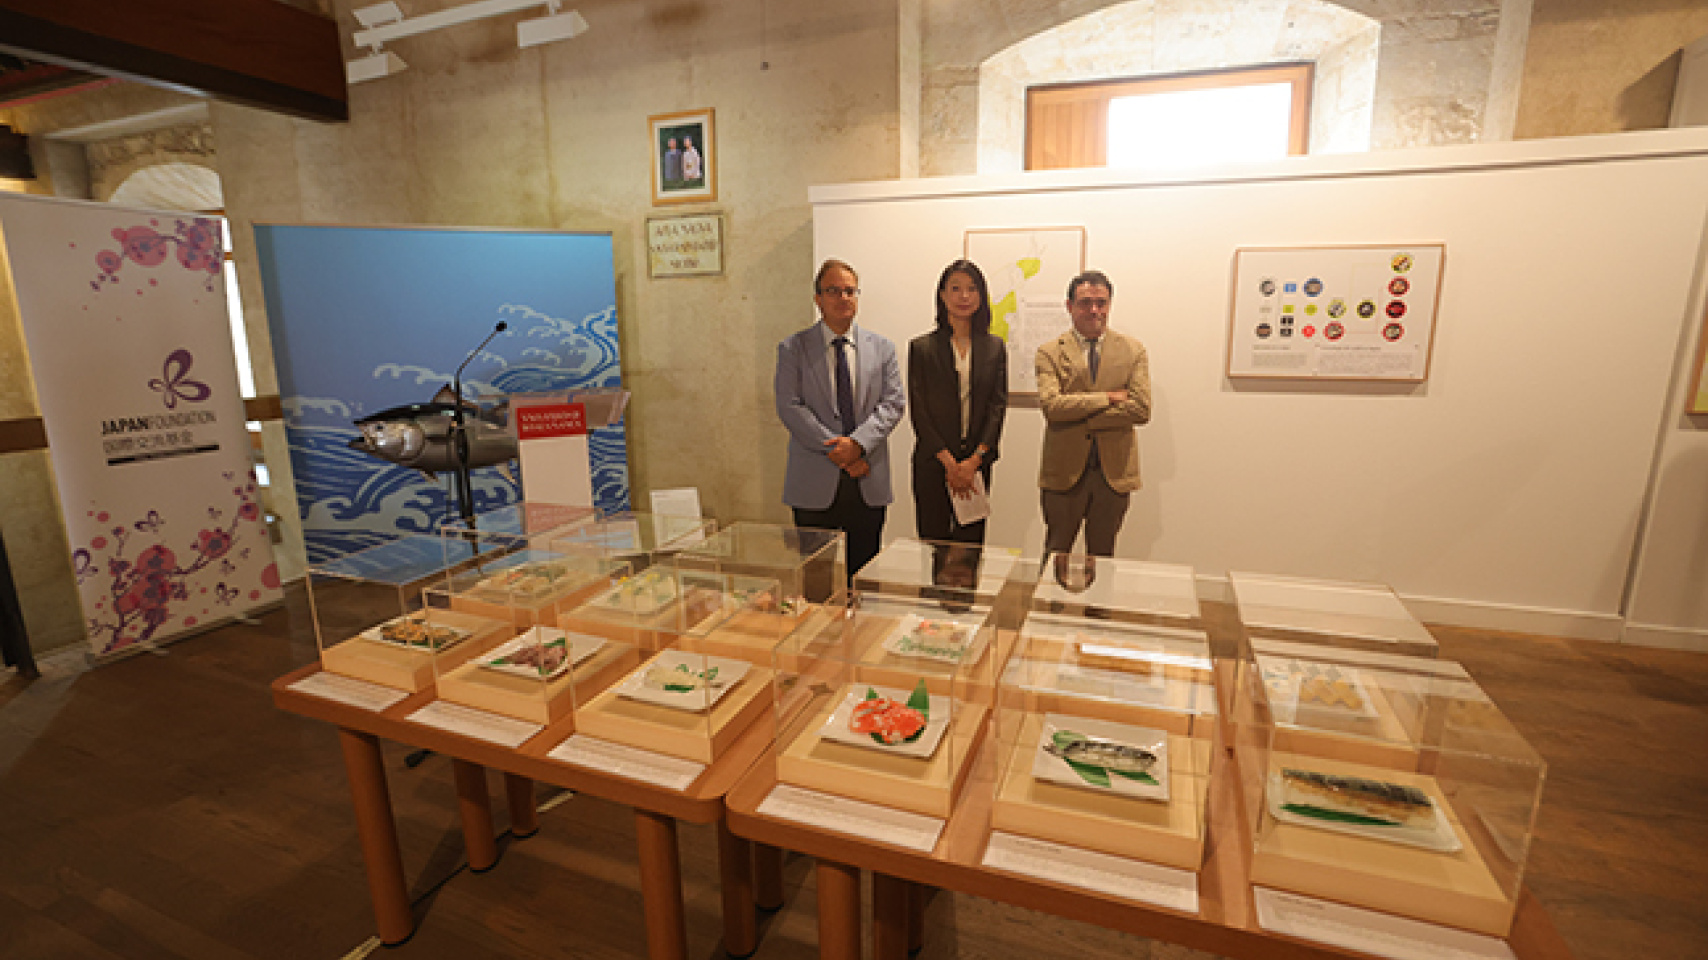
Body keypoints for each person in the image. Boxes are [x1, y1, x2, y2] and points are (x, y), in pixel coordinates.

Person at [775, 259, 905, 581]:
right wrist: (838, 450)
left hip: (867, 478)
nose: (843, 297)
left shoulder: (882, 348)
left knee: (865, 578)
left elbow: (892, 404)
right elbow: (789, 406)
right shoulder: (793, 348)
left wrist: (857, 445)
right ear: (818, 298)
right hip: (814, 479)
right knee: (815, 577)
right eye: (833, 291)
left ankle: (859, 616)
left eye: (850, 291)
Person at [1036, 269, 1151, 557]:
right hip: (1063, 473)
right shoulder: (1049, 352)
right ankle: (1052, 592)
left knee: (1103, 557)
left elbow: (1141, 409)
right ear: (1070, 306)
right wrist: (1108, 398)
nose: (1094, 310)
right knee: (1056, 554)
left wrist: (1080, 412)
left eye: (1101, 303)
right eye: (1085, 302)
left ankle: (1097, 593)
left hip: (1113, 474)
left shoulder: (1133, 350)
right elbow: (1052, 407)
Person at [907, 259, 1007, 548]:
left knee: (970, 550)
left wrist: (974, 461)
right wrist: (950, 463)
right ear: (942, 295)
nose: (964, 296)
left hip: (976, 464)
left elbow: (997, 407)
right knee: (933, 548)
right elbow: (919, 410)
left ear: (981, 295)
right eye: (955, 288)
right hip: (934, 463)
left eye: (972, 289)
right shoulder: (922, 348)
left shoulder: (994, 347)